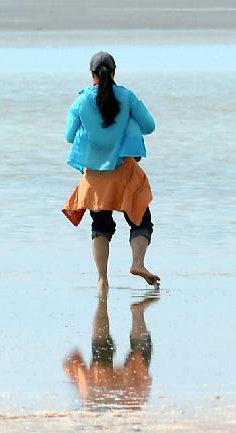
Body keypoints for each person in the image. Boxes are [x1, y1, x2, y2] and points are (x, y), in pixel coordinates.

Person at [63, 51, 159, 290]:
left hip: (95, 175)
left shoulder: (82, 101)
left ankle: (102, 279)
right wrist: (128, 120)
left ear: (91, 74)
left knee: (101, 226)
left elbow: (68, 136)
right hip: (124, 170)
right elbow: (149, 126)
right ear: (114, 72)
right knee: (140, 219)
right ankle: (138, 262)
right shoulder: (127, 97)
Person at [63, 291, 158, 409]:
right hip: (99, 389)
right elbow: (71, 361)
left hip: (128, 394)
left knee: (140, 352)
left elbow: (72, 361)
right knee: (101, 349)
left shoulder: (132, 407)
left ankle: (137, 313)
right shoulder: (87, 395)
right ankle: (103, 303)